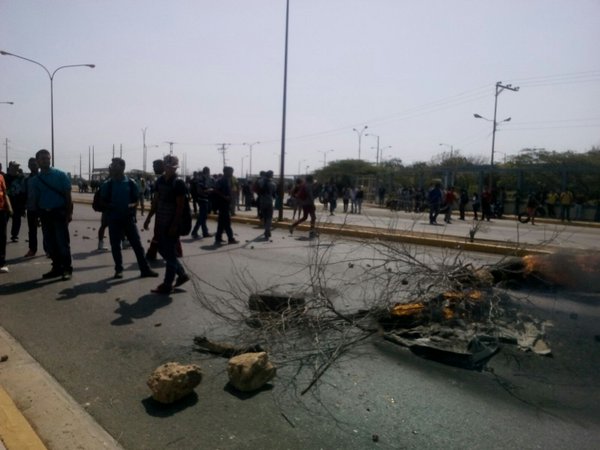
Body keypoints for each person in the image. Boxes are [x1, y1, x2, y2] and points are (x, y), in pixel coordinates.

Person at [99, 158, 158, 279]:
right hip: (114, 219)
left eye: (114, 165)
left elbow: (136, 200)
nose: (112, 167)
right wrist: (109, 206)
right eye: (112, 165)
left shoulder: (131, 183)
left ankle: (145, 269)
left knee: (137, 245)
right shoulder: (108, 184)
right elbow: (101, 201)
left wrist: (130, 207)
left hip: (128, 219)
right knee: (115, 246)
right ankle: (118, 270)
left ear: (122, 167)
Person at [144, 155, 189, 294]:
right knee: (163, 250)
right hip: (161, 221)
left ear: (175, 168)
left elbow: (180, 207)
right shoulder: (160, 181)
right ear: (164, 166)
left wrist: (174, 225)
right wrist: (149, 218)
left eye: (172, 167)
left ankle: (167, 284)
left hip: (171, 223)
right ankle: (181, 274)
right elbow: (156, 201)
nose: (169, 169)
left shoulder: (178, 183)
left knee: (169, 254)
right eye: (167, 166)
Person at [32, 149, 73, 280]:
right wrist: (38, 216)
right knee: (50, 243)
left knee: (62, 243)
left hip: (59, 213)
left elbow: (68, 196)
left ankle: (67, 269)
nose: (46, 160)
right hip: (45, 214)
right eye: (43, 158)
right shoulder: (36, 179)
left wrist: (69, 213)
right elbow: (37, 199)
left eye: (47, 158)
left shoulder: (60, 175)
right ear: (37, 161)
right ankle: (56, 268)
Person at [213, 166, 239, 245]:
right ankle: (230, 238)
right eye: (230, 171)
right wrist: (225, 197)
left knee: (221, 222)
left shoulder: (228, 180)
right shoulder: (221, 180)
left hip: (226, 203)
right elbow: (216, 190)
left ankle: (218, 237)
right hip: (223, 203)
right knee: (227, 222)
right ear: (225, 172)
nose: (232, 173)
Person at [23, 157, 44, 257]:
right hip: (31, 209)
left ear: (38, 165)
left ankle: (48, 250)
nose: (33, 166)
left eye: (34, 164)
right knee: (32, 230)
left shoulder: (44, 177)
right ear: (28, 166)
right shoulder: (27, 180)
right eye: (31, 164)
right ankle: (32, 249)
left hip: (44, 208)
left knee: (46, 230)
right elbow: (25, 194)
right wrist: (23, 207)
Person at [191, 166, 214, 239]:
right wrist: (209, 190)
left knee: (203, 217)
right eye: (208, 172)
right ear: (207, 172)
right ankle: (195, 232)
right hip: (202, 199)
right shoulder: (201, 179)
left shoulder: (204, 179)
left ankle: (204, 232)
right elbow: (199, 190)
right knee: (202, 217)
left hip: (204, 199)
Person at [0, 170, 13, 273]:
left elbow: (5, 193)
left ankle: (1, 263)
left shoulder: (1, 177)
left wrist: (9, 207)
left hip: (1, 211)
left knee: (2, 237)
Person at [257, 170, 276, 239]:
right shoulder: (273, 184)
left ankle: (267, 230)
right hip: (269, 202)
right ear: (271, 175)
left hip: (262, 201)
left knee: (264, 217)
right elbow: (274, 194)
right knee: (269, 217)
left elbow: (257, 189)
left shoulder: (260, 181)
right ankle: (267, 231)